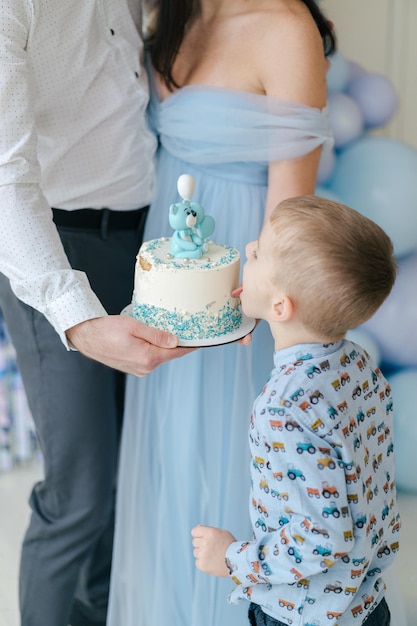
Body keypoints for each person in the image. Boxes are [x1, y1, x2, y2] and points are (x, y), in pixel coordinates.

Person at [108, 1, 336, 625]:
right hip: (168, 261)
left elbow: (292, 213)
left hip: (239, 272)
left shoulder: (286, 29)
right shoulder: (173, 14)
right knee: (174, 456)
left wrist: (251, 302)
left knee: (240, 457)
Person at [0, 3, 190, 626]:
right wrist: (77, 318)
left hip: (145, 238)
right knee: (79, 496)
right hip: (56, 250)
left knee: (125, 481)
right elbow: (6, 179)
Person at [191, 195, 399, 626]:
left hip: (302, 615)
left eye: (260, 253)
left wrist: (232, 558)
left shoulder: (283, 409)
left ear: (281, 307)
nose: (248, 248)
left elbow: (320, 536)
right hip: (365, 603)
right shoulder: (358, 362)